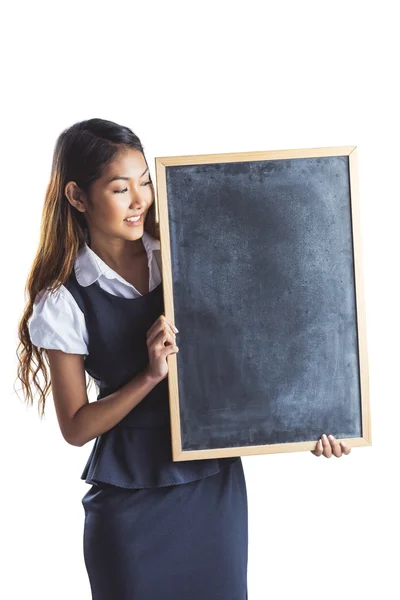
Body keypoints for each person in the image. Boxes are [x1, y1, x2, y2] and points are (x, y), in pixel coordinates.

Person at [16, 118, 351, 600]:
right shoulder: (63, 298)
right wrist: (149, 376)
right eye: (119, 188)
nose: (140, 200)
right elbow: (76, 427)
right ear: (76, 196)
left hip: (211, 489)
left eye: (144, 181)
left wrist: (316, 418)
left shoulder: (194, 251)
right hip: (129, 504)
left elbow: (263, 350)